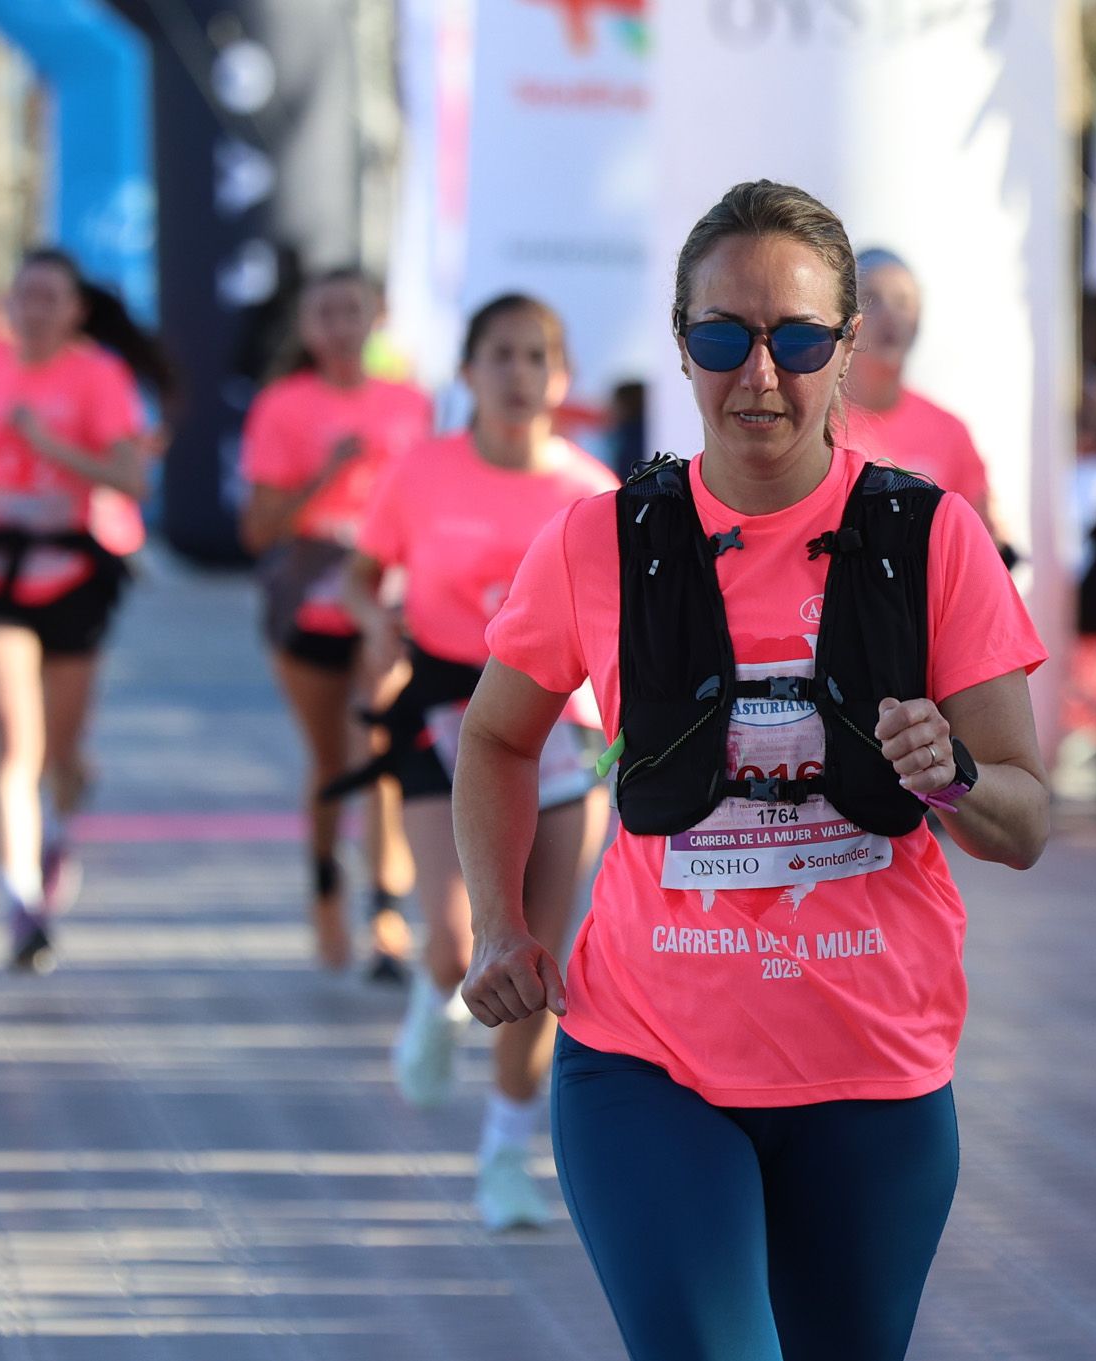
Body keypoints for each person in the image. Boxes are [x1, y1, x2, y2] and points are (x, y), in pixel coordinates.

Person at [460, 179, 1048, 1359]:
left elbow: (1024, 817)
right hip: (645, 1062)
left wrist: (949, 779)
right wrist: (496, 920)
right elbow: (495, 735)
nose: (761, 375)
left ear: (846, 347)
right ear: (682, 347)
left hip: (871, 1074)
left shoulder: (929, 537)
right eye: (724, 337)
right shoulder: (598, 538)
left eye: (798, 338)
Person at [343, 293, 616, 1229]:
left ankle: (507, 1146)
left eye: (535, 356)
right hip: (445, 709)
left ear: (562, 377)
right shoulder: (421, 471)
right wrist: (375, 620)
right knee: (461, 935)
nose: (516, 374)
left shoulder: (593, 488)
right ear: (466, 373)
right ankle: (432, 991)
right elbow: (360, 572)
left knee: (538, 952)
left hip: (559, 728)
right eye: (498, 354)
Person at [0, 247, 170, 971]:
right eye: (22, 294)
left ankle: (57, 826)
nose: (32, 309)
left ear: (74, 310)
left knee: (60, 753)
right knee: (14, 743)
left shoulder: (98, 377)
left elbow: (132, 478)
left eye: (48, 298)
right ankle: (21, 898)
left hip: (70, 573)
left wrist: (50, 446)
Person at [238, 266, 431, 977]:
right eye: (326, 312)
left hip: (386, 594)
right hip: (309, 594)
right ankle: (326, 889)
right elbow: (259, 529)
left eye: (353, 310)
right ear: (308, 326)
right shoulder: (283, 406)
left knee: (380, 747)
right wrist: (326, 474)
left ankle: (386, 912)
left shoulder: (410, 402)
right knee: (329, 761)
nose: (342, 326)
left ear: (376, 316)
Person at [843, 248, 1001, 540]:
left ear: (919, 320)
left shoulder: (951, 432)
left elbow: (981, 544)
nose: (889, 315)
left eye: (903, 302)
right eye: (872, 299)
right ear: (845, 317)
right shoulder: (813, 425)